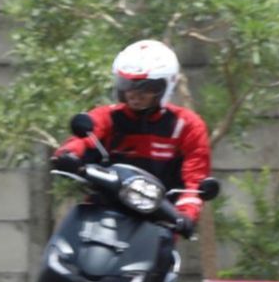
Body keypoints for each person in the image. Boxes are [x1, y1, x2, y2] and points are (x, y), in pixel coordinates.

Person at [51, 39, 211, 236]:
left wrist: (187, 214)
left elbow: (194, 181)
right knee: (60, 255)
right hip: (100, 215)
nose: (134, 94)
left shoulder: (187, 126)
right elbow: (83, 139)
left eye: (146, 87)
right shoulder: (108, 116)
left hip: (158, 223)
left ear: (167, 85)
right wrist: (69, 155)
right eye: (127, 84)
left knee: (165, 264)